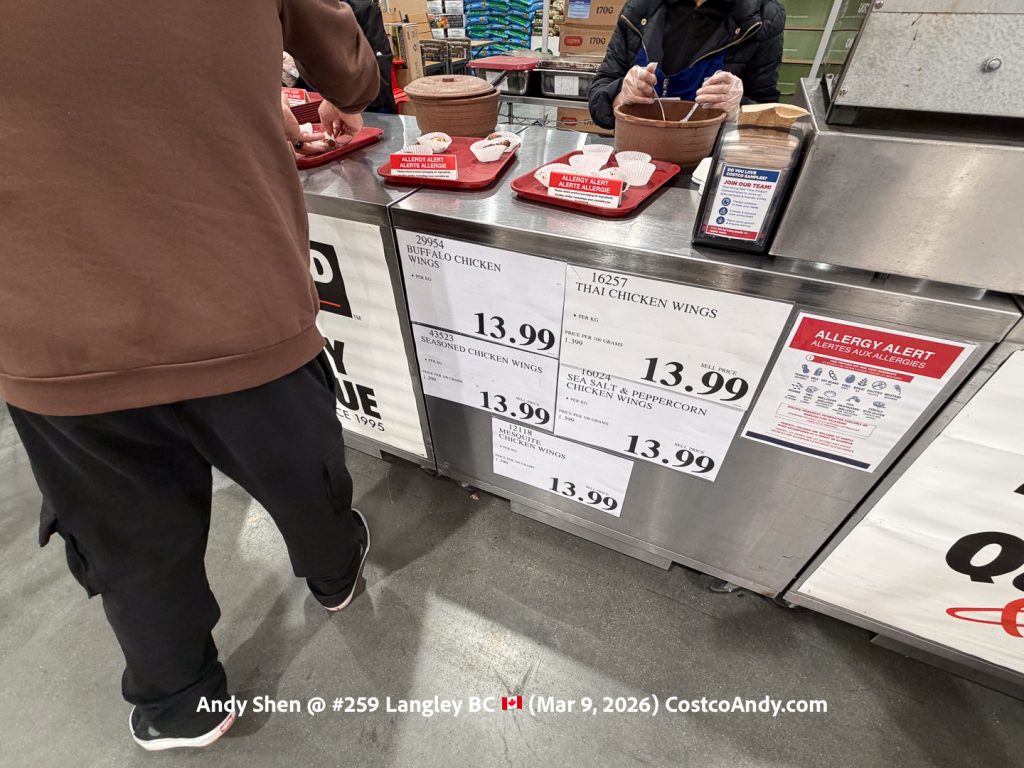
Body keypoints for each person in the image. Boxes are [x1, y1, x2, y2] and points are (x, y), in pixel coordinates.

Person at [1, 0, 380, 753]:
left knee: (128, 539)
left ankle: (181, 703)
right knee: (302, 472)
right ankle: (335, 575)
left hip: (55, 322)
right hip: (240, 293)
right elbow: (352, 74)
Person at [588, 0, 785, 129]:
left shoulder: (762, 17)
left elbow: (769, 119)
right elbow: (599, 96)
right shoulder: (641, 8)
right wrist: (621, 96)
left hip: (707, 167)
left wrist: (737, 111)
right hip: (636, 161)